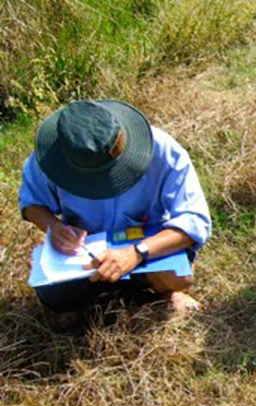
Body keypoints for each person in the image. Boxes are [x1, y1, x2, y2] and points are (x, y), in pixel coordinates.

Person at [19, 99, 211, 323]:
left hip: (147, 245)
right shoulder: (54, 155)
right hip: (85, 254)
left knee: (179, 277)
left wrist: (136, 253)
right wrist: (54, 227)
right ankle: (89, 299)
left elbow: (194, 220)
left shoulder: (164, 150)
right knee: (52, 294)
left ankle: (168, 293)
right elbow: (32, 202)